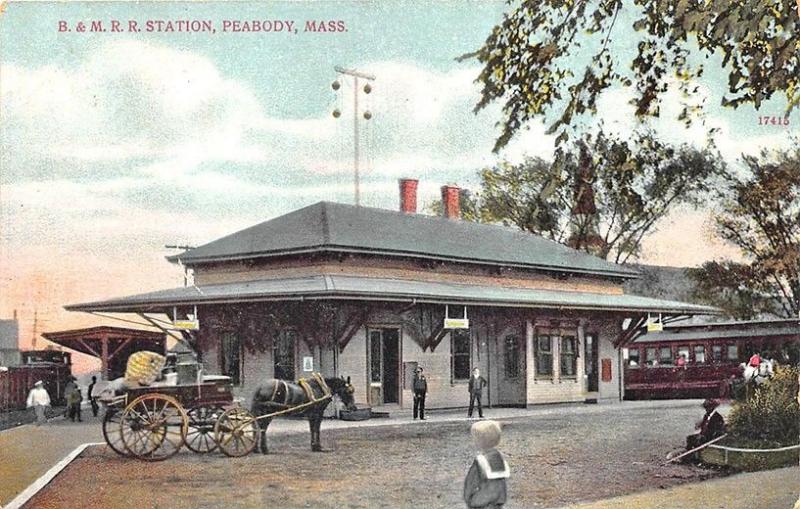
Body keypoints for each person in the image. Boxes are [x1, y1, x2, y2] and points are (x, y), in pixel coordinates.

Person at [463, 420, 509, 509]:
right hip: (498, 502)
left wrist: (469, 500)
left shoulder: (480, 461)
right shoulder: (500, 458)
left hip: (482, 501)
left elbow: (471, 483)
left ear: (479, 441)